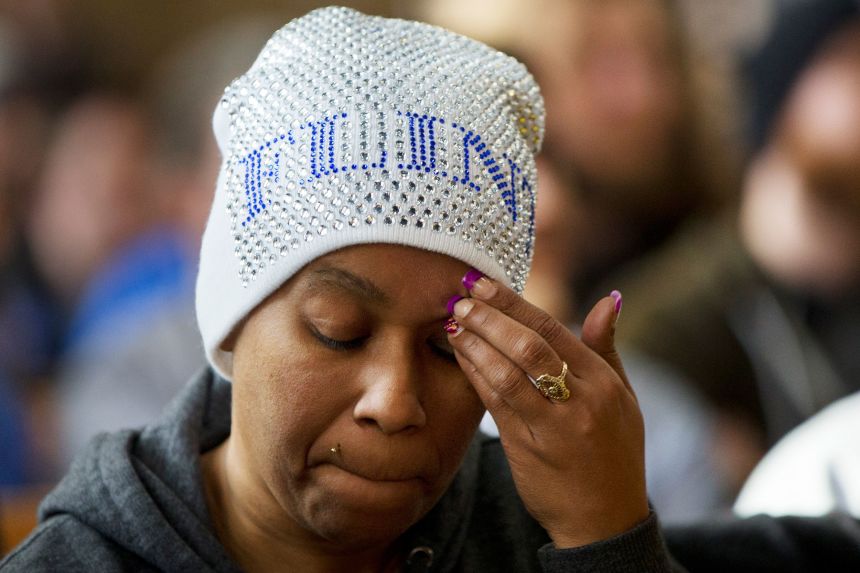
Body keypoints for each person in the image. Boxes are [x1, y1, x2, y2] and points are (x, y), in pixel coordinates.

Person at [0, 8, 668, 571]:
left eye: (448, 346)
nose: (394, 400)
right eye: (338, 330)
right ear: (231, 318)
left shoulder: (548, 533)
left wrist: (608, 536)